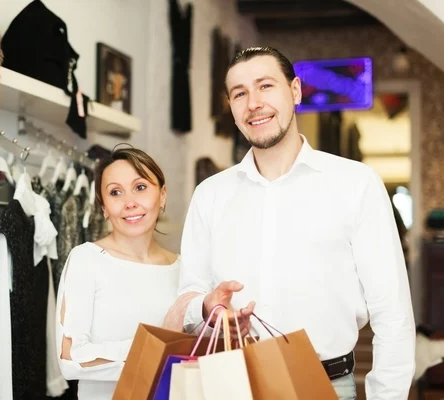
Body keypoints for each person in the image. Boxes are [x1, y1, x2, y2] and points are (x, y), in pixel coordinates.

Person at [178, 46, 415, 399]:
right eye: (239, 93)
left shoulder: (356, 184)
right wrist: (206, 305)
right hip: (229, 385)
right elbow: (189, 301)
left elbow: (392, 313)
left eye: (265, 86)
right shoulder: (209, 195)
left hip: (326, 387)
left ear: (296, 91)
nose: (253, 103)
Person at [55, 147, 181, 400]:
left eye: (140, 187)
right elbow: (70, 358)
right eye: (115, 192)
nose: (130, 202)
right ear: (103, 207)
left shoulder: (184, 268)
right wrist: (154, 347)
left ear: (163, 195)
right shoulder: (86, 260)